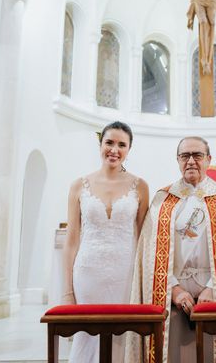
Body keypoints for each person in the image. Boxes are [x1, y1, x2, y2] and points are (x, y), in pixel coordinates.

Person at [126, 136, 216, 363]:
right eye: (185, 156)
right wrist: (174, 290)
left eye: (197, 155)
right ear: (177, 160)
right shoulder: (163, 200)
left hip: (215, 296)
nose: (191, 161)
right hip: (172, 296)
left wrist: (214, 288)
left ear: (208, 159)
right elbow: (149, 254)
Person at [63, 121, 150, 363]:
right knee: (87, 335)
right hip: (88, 272)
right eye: (109, 142)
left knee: (123, 334)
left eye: (122, 145)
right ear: (100, 144)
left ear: (129, 149)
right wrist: (68, 291)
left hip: (125, 271)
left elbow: (144, 239)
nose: (114, 149)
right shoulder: (79, 185)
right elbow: (71, 241)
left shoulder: (140, 186)